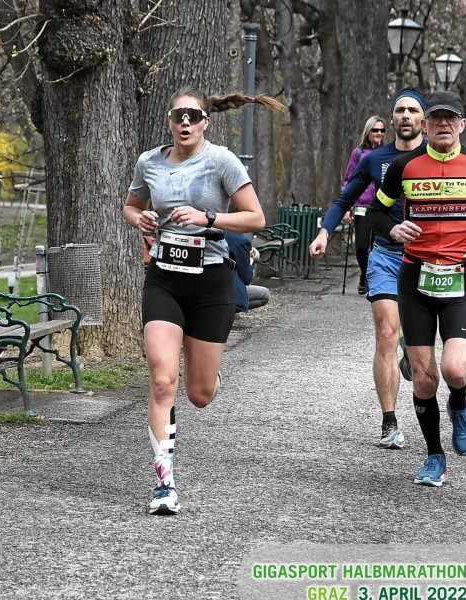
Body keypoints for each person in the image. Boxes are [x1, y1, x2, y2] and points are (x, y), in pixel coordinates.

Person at [123, 87, 281, 515]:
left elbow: (256, 217)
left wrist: (207, 218)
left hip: (211, 282)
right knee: (161, 380)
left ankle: (206, 372)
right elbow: (131, 206)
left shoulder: (221, 160)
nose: (186, 122)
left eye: (194, 115)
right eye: (179, 115)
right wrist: (144, 218)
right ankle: (164, 483)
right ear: (170, 121)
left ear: (206, 122)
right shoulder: (149, 162)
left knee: (200, 393)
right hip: (164, 279)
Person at [367, 90, 466, 487]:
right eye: (437, 119)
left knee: (454, 368)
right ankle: (434, 456)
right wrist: (393, 227)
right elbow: (375, 212)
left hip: (461, 277)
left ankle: (460, 404)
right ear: (427, 125)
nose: (444, 125)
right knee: (425, 377)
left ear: (463, 125)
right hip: (415, 279)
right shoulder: (403, 166)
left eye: (452, 119)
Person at [309, 89, 428, 450]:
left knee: (422, 348)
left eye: (413, 110)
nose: (406, 116)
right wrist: (324, 231)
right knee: (386, 332)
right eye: (400, 110)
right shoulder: (375, 159)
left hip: (426, 258)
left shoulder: (435, 157)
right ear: (392, 120)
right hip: (387, 256)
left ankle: (415, 347)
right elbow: (345, 199)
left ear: (423, 119)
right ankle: (389, 422)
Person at [340, 115, 387, 295]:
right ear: (368, 132)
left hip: (382, 207)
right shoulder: (358, 153)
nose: (379, 133)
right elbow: (348, 180)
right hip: (361, 205)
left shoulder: (388, 152)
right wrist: (346, 207)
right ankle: (364, 273)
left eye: (382, 130)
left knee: (376, 246)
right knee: (361, 246)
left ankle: (369, 277)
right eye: (375, 130)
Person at [225, 231, 271, 312]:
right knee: (265, 294)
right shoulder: (239, 240)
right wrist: (250, 261)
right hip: (225, 291)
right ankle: (229, 311)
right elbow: (246, 279)